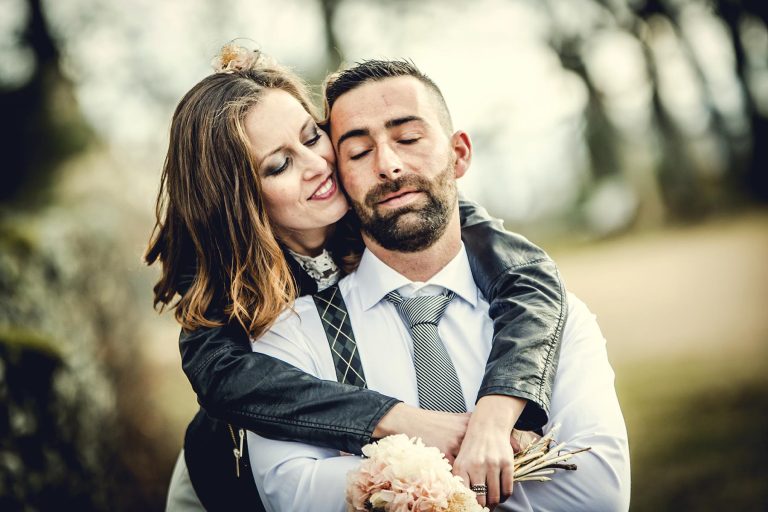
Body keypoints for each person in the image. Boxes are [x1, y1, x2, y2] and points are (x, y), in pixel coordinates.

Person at [145, 45, 567, 510]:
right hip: (228, 487)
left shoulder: (385, 202)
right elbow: (225, 376)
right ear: (239, 199)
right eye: (279, 165)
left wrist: (497, 407)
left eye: (312, 137)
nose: (317, 165)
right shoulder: (219, 272)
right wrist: (399, 420)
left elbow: (529, 277)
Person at [245, 59, 631, 511]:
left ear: (460, 153)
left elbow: (599, 492)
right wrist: (483, 455)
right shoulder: (292, 336)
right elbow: (293, 497)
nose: (388, 164)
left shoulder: (552, 316)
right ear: (339, 180)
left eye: (408, 138)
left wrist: (379, 482)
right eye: (358, 152)